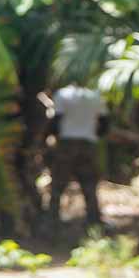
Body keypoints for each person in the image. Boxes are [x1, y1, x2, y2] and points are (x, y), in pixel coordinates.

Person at [48, 82, 110, 231]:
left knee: (58, 184)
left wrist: (54, 138)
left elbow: (55, 121)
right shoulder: (96, 96)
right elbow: (105, 123)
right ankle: (94, 221)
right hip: (88, 144)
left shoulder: (62, 94)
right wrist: (93, 135)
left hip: (66, 142)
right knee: (89, 184)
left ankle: (52, 220)